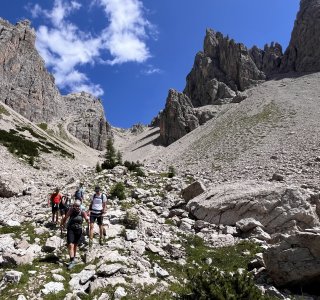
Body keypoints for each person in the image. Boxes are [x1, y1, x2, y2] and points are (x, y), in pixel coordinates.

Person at [60, 200, 89, 270]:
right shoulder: (71, 210)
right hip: (71, 228)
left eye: (78, 206)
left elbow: (86, 217)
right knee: (70, 244)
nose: (77, 207)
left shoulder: (82, 211)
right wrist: (62, 224)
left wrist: (88, 220)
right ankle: (72, 260)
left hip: (78, 229)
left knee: (75, 245)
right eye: (76, 206)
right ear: (74, 206)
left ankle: (73, 258)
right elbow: (66, 217)